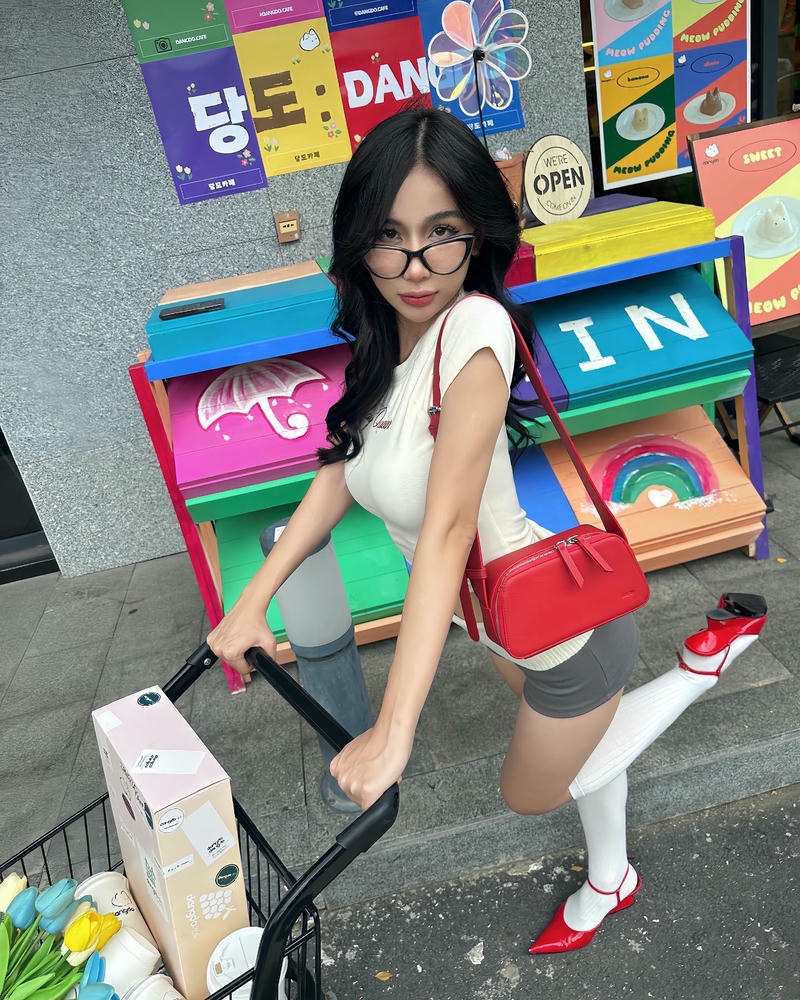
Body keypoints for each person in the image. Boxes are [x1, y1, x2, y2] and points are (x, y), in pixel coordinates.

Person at [207, 107, 768, 954]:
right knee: (588, 752)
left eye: (441, 233)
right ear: (359, 244)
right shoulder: (388, 352)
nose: (415, 265)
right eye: (388, 236)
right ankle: (611, 877)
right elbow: (337, 476)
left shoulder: (474, 327)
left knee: (536, 790)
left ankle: (702, 665)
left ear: (476, 235)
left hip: (567, 635)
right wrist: (252, 603)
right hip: (505, 619)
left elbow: (447, 531)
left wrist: (394, 731)